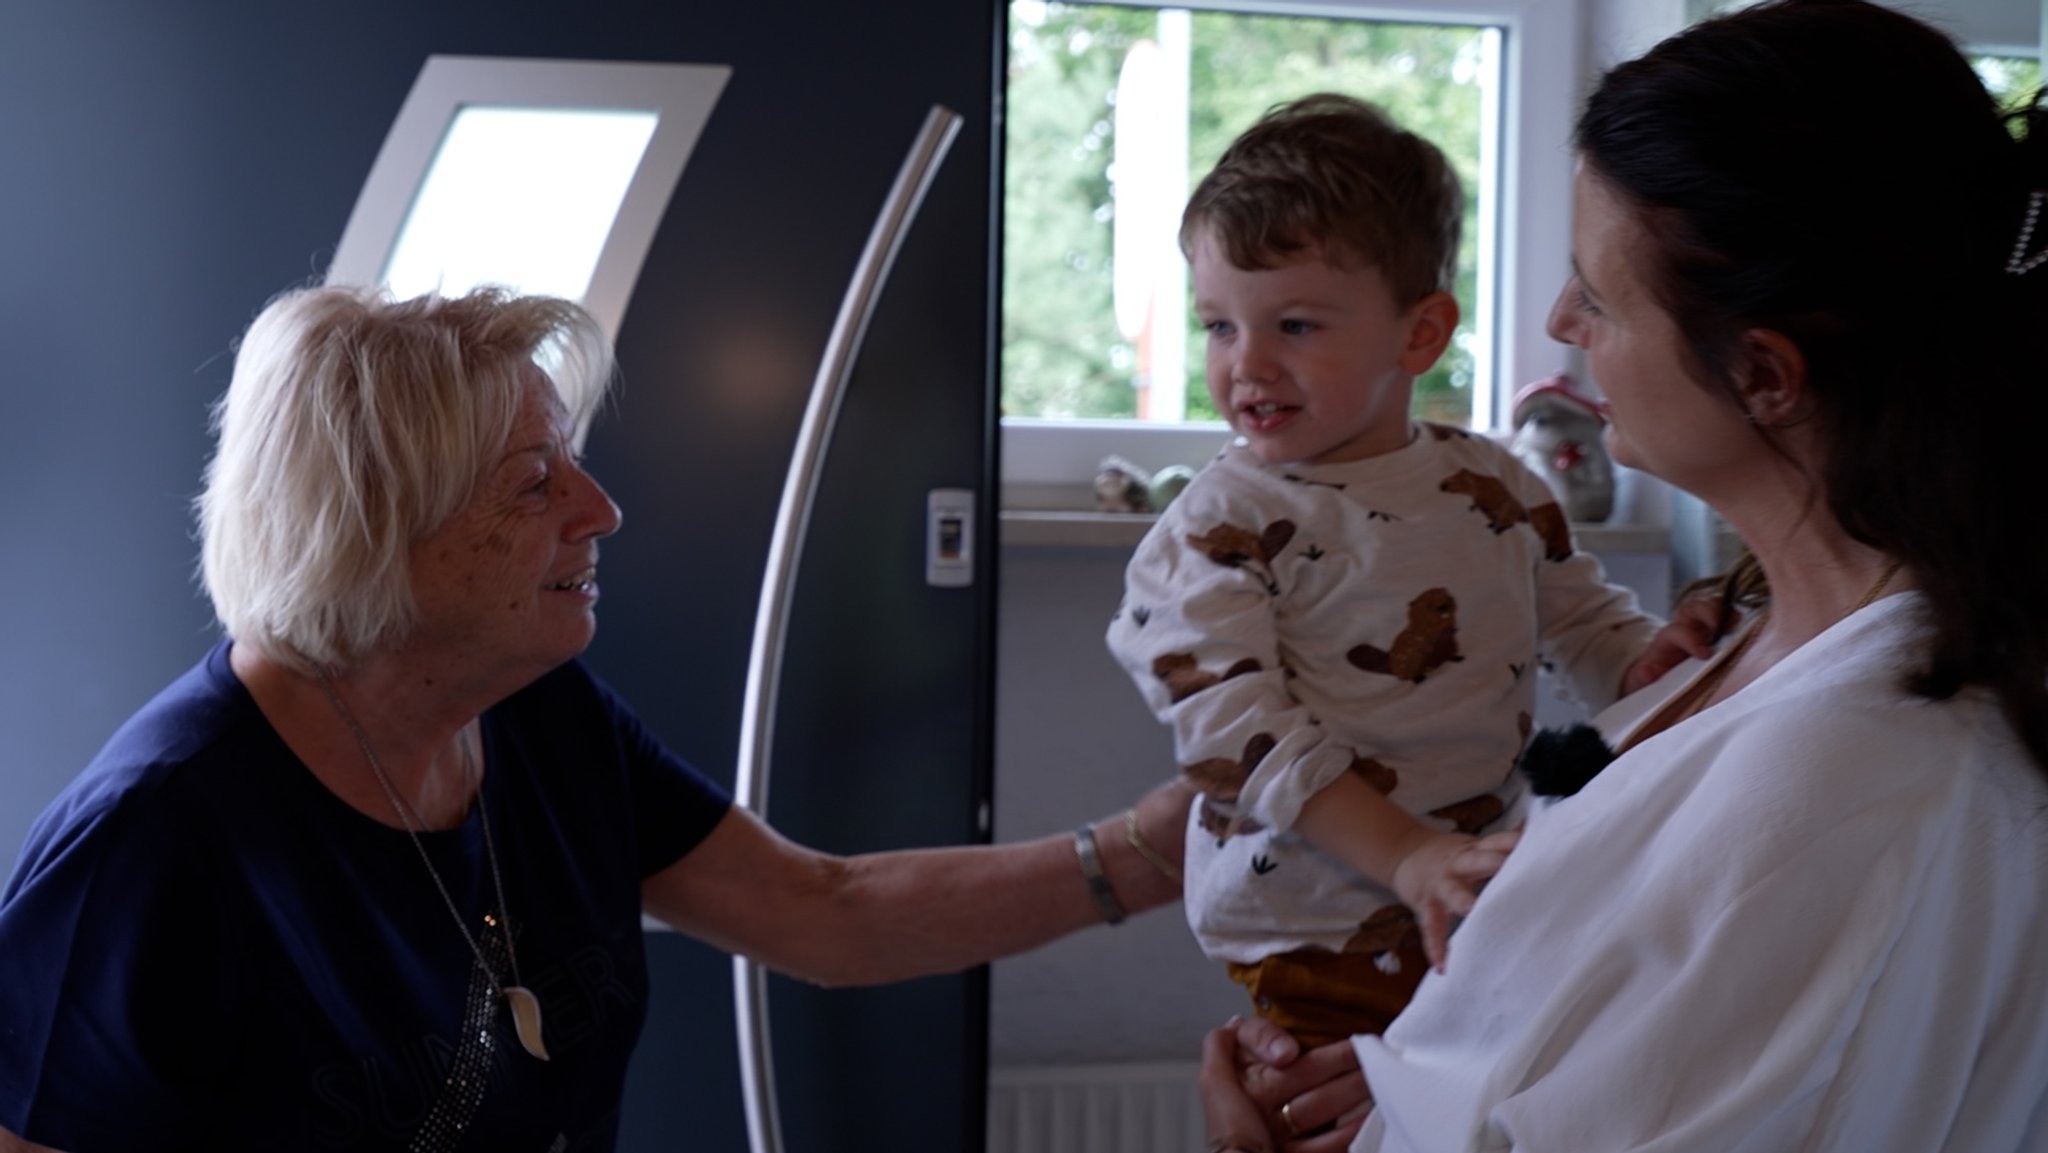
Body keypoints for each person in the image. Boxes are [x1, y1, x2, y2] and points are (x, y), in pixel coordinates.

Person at [0, 285, 1192, 1153]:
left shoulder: (538, 716)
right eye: (534, 480)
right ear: (371, 520)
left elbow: (819, 914)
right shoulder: (151, 845)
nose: (601, 508)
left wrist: (1143, 854)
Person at [1199, 1, 2048, 1148]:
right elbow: (1598, 1027)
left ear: (1761, 374)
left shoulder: (1851, 775)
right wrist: (1407, 1083)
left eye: (1593, 296)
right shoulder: (1740, 631)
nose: (1558, 321)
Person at [1105, 93, 1707, 1050]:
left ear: (1420, 335)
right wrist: (1406, 854)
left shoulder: (1489, 482)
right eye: (1219, 326)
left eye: (1295, 325)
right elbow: (1234, 734)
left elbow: (1583, 619)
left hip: (1470, 889)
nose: (1246, 363)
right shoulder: (1218, 525)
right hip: (1314, 925)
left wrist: (1646, 663)